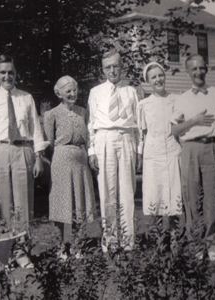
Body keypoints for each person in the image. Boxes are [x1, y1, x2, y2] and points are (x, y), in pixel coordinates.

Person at [171, 54, 215, 261]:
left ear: (207, 69)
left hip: (212, 148)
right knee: (191, 197)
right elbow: (175, 130)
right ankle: (196, 244)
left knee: (214, 197)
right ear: (188, 72)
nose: (198, 72)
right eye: (193, 69)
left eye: (201, 68)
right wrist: (194, 121)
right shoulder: (182, 98)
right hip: (190, 149)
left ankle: (214, 245)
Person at [0, 55, 48, 267]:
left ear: (16, 74)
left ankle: (22, 253)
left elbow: (36, 129)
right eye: (3, 72)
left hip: (23, 150)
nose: (7, 76)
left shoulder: (26, 98)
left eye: (11, 72)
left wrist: (38, 158)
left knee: (23, 203)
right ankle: (4, 254)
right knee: (2, 203)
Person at [87, 51, 142, 252]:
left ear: (122, 67)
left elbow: (138, 126)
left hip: (126, 138)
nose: (112, 70)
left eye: (115, 66)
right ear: (103, 70)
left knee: (127, 192)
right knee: (107, 191)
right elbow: (91, 123)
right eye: (107, 67)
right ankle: (110, 239)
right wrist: (92, 150)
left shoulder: (131, 91)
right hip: (104, 140)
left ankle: (128, 240)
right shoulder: (95, 92)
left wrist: (139, 151)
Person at [43, 76, 95, 257]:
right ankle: (61, 246)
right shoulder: (52, 114)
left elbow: (88, 136)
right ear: (59, 93)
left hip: (80, 161)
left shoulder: (83, 112)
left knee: (79, 202)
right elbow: (50, 141)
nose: (73, 94)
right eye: (68, 91)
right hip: (61, 160)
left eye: (75, 90)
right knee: (60, 202)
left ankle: (78, 244)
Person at [139, 62, 182, 227]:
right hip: (153, 155)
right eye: (153, 77)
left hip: (172, 152)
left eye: (160, 75)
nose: (158, 80)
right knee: (154, 197)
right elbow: (143, 131)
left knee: (174, 197)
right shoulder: (144, 105)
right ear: (148, 81)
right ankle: (158, 241)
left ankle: (174, 240)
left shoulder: (176, 100)